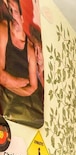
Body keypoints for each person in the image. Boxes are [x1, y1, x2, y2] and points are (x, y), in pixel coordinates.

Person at [0, 0, 43, 128]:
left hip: (32, 113)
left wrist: (9, 83)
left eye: (16, 12)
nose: (12, 15)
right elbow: (1, 76)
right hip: (9, 112)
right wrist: (18, 82)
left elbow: (33, 87)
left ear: (23, 16)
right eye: (10, 10)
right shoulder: (3, 30)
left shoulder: (30, 46)